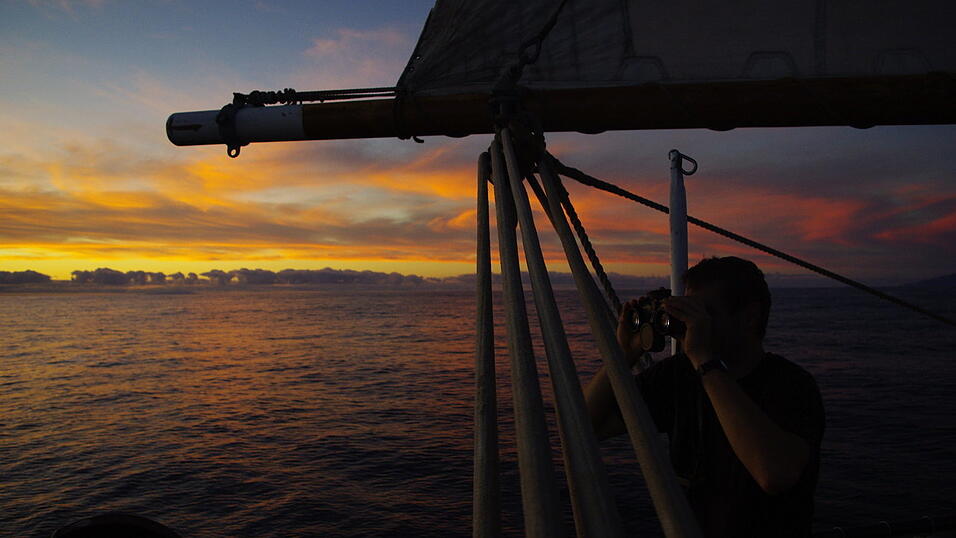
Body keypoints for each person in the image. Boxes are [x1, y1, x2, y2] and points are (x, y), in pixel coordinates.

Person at [584, 256, 825, 537]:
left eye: (703, 313)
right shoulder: (679, 375)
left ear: (749, 317)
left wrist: (704, 360)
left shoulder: (792, 385)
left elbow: (774, 474)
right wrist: (623, 355)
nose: (692, 322)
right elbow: (585, 426)